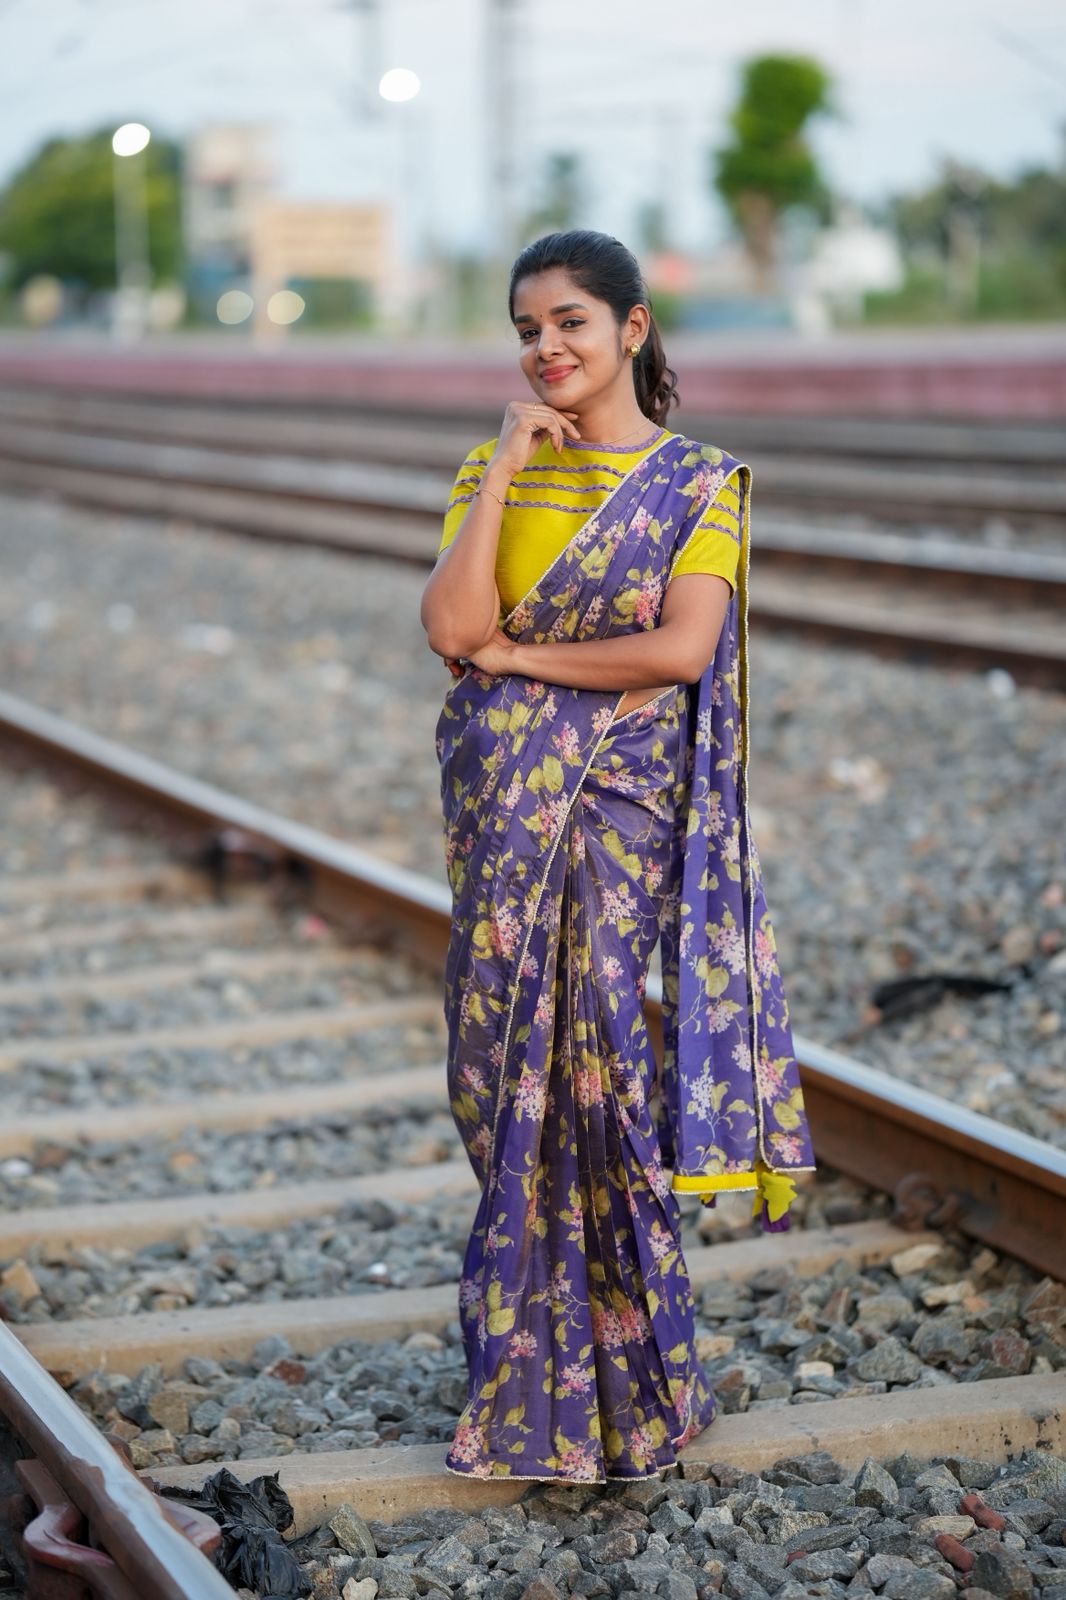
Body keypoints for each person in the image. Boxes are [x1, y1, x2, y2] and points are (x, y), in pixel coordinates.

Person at [419, 229, 815, 1485]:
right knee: (495, 1075)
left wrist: (526, 664)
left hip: (615, 819)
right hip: (501, 817)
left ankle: (631, 1393)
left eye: (572, 324)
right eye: (528, 329)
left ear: (632, 330)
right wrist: (500, 481)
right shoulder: (497, 464)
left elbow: (680, 651)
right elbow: (450, 626)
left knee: (592, 1077)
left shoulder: (700, 485)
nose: (547, 348)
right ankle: (524, 1378)